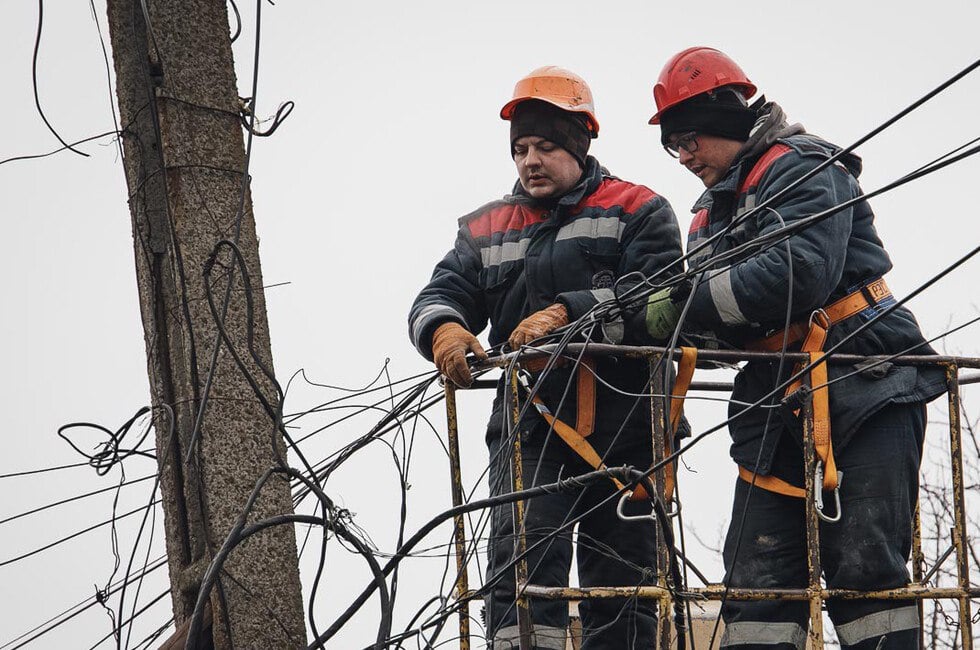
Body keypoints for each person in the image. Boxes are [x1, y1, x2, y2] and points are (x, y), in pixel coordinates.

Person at [644, 47, 946, 649]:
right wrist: (651, 315)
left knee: (866, 570)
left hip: (869, 379)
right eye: (672, 145)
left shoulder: (806, 167)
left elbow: (795, 274)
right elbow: (722, 316)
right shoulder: (709, 213)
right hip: (773, 402)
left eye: (689, 138)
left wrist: (681, 303)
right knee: (757, 582)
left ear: (725, 119)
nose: (684, 156)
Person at [408, 66, 684, 648]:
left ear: (579, 146)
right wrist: (446, 331)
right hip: (530, 424)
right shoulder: (485, 228)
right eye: (521, 149)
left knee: (625, 582)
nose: (531, 160)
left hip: (628, 422)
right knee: (522, 570)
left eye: (547, 146)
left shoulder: (639, 209)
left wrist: (569, 313)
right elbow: (440, 293)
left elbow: (662, 299)